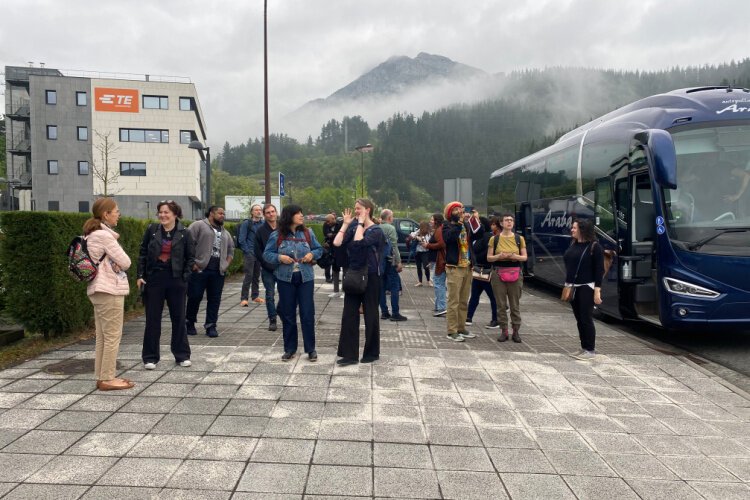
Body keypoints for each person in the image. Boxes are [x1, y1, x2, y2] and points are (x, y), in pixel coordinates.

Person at [137, 200, 195, 369]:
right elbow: (142, 253)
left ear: (175, 214)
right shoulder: (152, 230)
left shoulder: (185, 232)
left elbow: (191, 257)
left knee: (178, 318)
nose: (162, 215)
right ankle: (150, 357)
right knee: (152, 318)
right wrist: (140, 275)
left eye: (166, 212)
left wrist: (185, 276)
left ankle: (182, 355)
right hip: (154, 278)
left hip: (176, 279)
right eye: (160, 212)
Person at [83, 198, 133, 391]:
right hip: (108, 289)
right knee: (112, 335)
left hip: (97, 289)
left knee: (103, 336)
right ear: (106, 214)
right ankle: (108, 378)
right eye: (116, 211)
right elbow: (126, 262)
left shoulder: (91, 234)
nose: (118, 214)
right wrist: (118, 262)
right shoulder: (104, 236)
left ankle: (102, 376)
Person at [263, 205, 323, 361]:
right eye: (298, 213)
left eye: (302, 213)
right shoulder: (277, 235)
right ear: (289, 216)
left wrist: (311, 254)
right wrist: (279, 258)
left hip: (306, 279)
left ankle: (311, 349)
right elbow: (267, 254)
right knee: (288, 314)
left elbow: (319, 249)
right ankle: (290, 349)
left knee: (307, 314)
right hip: (285, 279)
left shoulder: (308, 233)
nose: (302, 216)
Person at [334, 199, 385, 365]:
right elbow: (337, 243)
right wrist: (345, 224)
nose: (355, 211)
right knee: (349, 314)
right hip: (354, 275)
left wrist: (362, 222)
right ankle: (349, 354)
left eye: (358, 209)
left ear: (368, 210)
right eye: (355, 208)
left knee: (370, 314)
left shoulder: (376, 230)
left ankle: (371, 353)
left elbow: (358, 243)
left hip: (371, 276)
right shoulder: (355, 226)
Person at [186, 206, 234, 338]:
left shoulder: (225, 232)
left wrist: (226, 264)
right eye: (220, 213)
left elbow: (231, 250)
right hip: (199, 269)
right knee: (195, 296)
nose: (222, 215)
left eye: (224, 213)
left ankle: (211, 325)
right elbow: (187, 243)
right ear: (211, 213)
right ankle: (189, 322)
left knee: (215, 299)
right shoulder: (198, 225)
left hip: (218, 271)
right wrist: (193, 264)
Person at [563, 218, 604, 360]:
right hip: (573, 286)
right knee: (579, 318)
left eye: (574, 228)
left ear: (582, 229)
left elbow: (599, 269)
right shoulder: (573, 244)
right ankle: (583, 347)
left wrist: (597, 290)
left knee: (586, 318)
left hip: (587, 286)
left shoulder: (594, 246)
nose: (572, 230)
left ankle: (590, 349)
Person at [487, 214, 527, 342]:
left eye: (511, 220)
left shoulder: (519, 238)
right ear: (501, 223)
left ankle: (516, 331)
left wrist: (515, 256)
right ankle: (504, 330)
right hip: (498, 273)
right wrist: (499, 256)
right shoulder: (494, 239)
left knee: (515, 304)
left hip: (515, 272)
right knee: (501, 305)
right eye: (506, 220)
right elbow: (489, 258)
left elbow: (524, 257)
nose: (509, 222)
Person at [442, 201, 476, 342]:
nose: (460, 211)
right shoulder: (447, 226)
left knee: (463, 300)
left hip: (467, 266)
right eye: (456, 210)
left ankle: (461, 328)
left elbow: (475, 238)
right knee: (453, 301)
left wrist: (474, 219)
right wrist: (457, 223)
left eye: (460, 209)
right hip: (454, 268)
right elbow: (448, 239)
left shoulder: (466, 225)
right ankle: (452, 331)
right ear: (450, 213)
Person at [466, 216, 500, 329]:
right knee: (478, 296)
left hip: (485, 270)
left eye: (478, 223)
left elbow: (481, 253)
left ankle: (495, 319)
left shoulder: (487, 236)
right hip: (480, 270)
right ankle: (469, 317)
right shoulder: (480, 236)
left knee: (490, 297)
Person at [254, 203, 280, 331]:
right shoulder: (260, 231)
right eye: (268, 212)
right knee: (269, 295)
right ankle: (272, 319)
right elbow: (257, 251)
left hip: (283, 267)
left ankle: (280, 312)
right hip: (267, 268)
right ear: (264, 215)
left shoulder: (283, 228)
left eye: (273, 211)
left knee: (287, 294)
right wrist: (266, 264)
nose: (271, 214)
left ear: (276, 212)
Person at [379, 209, 406, 321]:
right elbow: (394, 246)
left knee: (381, 287)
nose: (393, 218)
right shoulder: (391, 228)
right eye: (392, 216)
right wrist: (398, 262)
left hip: (380, 262)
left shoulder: (377, 228)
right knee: (394, 286)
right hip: (390, 261)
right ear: (389, 218)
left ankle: (384, 312)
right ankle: (395, 313)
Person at [238, 203, 265, 306]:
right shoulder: (247, 223)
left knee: (256, 276)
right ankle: (244, 298)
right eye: (256, 210)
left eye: (260, 210)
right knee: (248, 275)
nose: (258, 211)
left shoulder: (263, 224)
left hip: (259, 254)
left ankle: (255, 296)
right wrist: (247, 251)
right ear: (252, 212)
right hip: (250, 253)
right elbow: (241, 239)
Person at [424, 213, 446, 316]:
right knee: (438, 283)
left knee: (439, 284)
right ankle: (438, 306)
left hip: (439, 261)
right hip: (437, 260)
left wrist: (428, 245)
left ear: (436, 221)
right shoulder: (439, 230)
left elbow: (441, 244)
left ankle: (441, 307)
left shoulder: (439, 230)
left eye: (432, 220)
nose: (430, 221)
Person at [410, 221, 433, 286]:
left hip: (425, 252)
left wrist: (422, 240)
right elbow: (411, 235)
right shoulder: (418, 231)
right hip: (417, 252)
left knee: (426, 266)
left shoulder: (429, 234)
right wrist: (417, 237)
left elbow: (428, 242)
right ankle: (420, 282)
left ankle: (428, 281)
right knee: (418, 266)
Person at [322, 213, 338, 283]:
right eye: (327, 221)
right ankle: (327, 277)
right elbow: (326, 234)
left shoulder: (338, 224)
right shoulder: (325, 225)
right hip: (328, 245)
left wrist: (332, 235)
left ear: (333, 218)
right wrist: (332, 235)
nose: (328, 223)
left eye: (329, 221)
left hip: (336, 246)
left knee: (336, 262)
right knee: (327, 261)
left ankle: (335, 276)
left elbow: (339, 234)